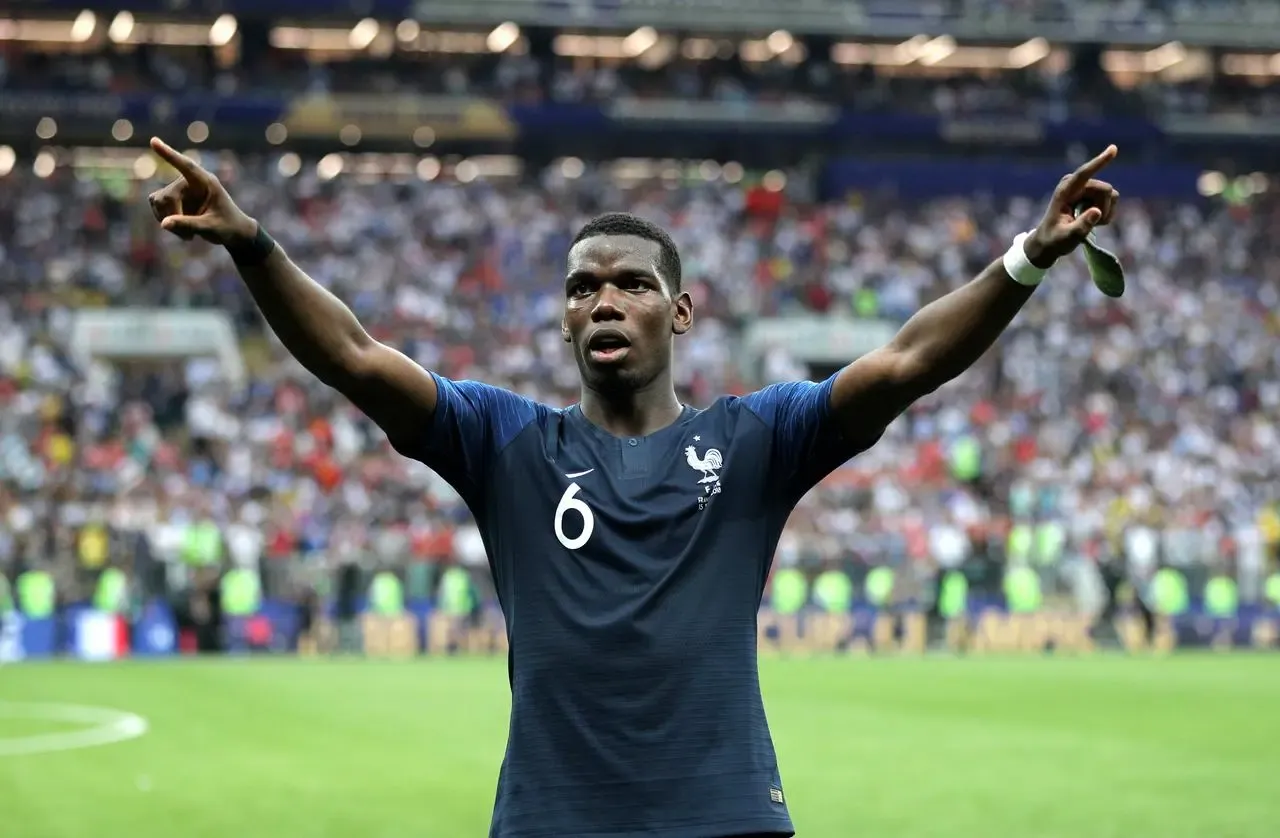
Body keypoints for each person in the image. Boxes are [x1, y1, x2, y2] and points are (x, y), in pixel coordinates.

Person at [146, 137, 1120, 838]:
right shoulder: (501, 441)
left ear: (680, 311)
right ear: (561, 324)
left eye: (630, 283)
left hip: (726, 816)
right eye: (580, 288)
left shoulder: (754, 440)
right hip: (548, 820)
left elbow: (903, 360)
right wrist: (252, 245)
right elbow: (357, 357)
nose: (603, 298)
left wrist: (1026, 258)